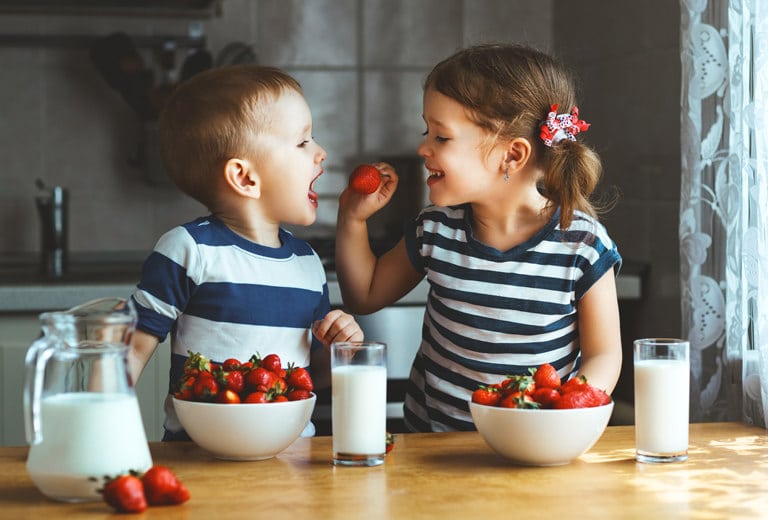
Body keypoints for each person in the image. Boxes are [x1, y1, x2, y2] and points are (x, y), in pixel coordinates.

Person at [335, 43, 622, 432]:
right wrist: (352, 219)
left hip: (531, 447)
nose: (423, 147)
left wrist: (565, 414)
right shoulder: (436, 230)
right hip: (433, 451)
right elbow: (364, 295)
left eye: (442, 137)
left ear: (512, 155)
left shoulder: (582, 246)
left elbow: (605, 356)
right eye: (427, 131)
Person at [128, 65, 363, 440]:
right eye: (303, 142)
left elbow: (308, 377)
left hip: (293, 464)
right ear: (245, 178)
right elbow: (132, 351)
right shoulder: (189, 251)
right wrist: (97, 432)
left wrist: (341, 352)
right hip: (199, 463)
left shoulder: (307, 264)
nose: (321, 153)